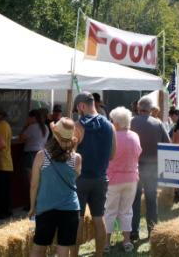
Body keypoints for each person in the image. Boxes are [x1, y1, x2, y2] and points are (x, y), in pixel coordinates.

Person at [71, 92, 116, 257]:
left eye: (78, 109)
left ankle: (74, 255)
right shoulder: (110, 125)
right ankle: (99, 254)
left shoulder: (77, 126)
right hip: (101, 178)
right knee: (99, 218)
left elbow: (71, 155)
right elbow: (112, 155)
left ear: (82, 106)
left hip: (80, 179)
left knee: (77, 220)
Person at [29, 117, 81, 257]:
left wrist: (32, 207)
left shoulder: (41, 155)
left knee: (38, 247)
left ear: (54, 134)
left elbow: (34, 185)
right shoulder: (76, 158)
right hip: (70, 208)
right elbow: (74, 178)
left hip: (46, 207)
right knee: (64, 249)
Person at [130, 96, 171, 241]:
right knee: (151, 200)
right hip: (153, 166)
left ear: (138, 108)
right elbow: (168, 143)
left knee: (134, 200)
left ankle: (133, 231)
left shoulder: (131, 122)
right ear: (151, 109)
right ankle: (152, 230)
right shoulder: (158, 123)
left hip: (135, 165)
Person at [104, 107, 141, 253]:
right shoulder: (135, 136)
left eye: (112, 120)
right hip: (131, 178)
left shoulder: (111, 136)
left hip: (113, 179)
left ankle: (106, 243)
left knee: (110, 211)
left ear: (117, 123)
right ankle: (126, 241)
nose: (111, 122)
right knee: (126, 211)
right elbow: (138, 153)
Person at [19, 109, 49, 186]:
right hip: (42, 154)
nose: (28, 119)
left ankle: (34, 197)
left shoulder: (32, 127)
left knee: (32, 180)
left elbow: (21, 138)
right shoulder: (46, 127)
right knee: (40, 178)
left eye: (29, 118)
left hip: (31, 155)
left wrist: (25, 126)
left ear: (33, 118)